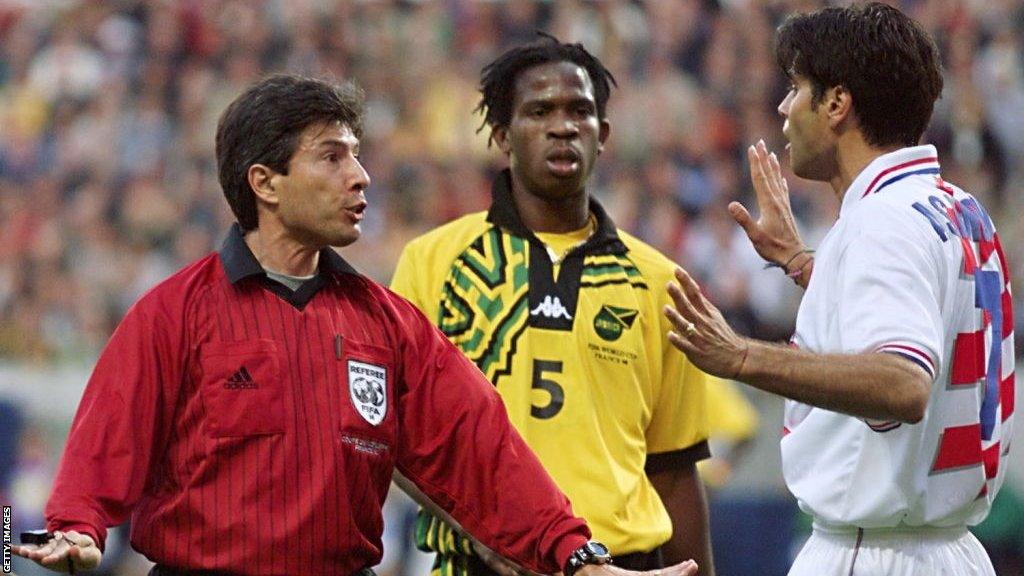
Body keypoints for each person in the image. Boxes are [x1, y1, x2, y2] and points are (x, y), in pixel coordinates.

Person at [12, 74, 699, 576]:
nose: (362, 177)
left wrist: (574, 555)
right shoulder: (173, 313)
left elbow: (480, 448)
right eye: (333, 156)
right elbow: (106, 443)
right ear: (265, 182)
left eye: (358, 155)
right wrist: (76, 526)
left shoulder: (389, 326)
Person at [662, 4, 1015, 576]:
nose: (783, 106)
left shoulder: (883, 222)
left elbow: (903, 382)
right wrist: (805, 265)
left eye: (796, 86)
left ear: (836, 103)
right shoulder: (958, 208)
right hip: (950, 550)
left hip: (874, 549)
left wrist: (741, 356)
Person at [391, 36, 714, 576]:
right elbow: (398, 431)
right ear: (502, 135)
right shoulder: (433, 264)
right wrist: (482, 532)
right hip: (482, 563)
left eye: (580, 112)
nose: (563, 126)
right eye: (539, 111)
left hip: (622, 561)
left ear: (602, 136)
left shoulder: (661, 283)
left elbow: (674, 465)